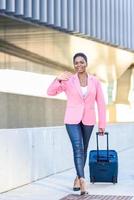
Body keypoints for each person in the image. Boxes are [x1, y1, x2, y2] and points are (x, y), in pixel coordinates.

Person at [47, 52, 106, 195]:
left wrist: (102, 124)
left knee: (83, 149)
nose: (79, 64)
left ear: (86, 63)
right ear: (74, 65)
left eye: (82, 62)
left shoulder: (95, 81)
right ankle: (83, 180)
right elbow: (50, 92)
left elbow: (101, 103)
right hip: (72, 120)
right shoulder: (68, 80)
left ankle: (77, 179)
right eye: (76, 62)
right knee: (77, 148)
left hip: (89, 119)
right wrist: (57, 79)